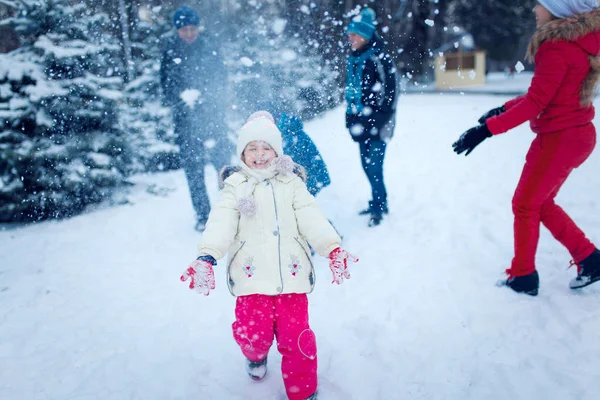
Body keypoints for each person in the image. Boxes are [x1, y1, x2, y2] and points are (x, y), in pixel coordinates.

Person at [180, 112, 358, 400]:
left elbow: (312, 218)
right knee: (253, 335)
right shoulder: (235, 188)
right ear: (242, 153)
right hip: (251, 282)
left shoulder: (292, 184)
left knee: (298, 340)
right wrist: (207, 256)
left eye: (266, 148)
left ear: (277, 151)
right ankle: (255, 355)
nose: (259, 155)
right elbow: (221, 223)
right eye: (252, 149)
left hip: (292, 279)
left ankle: (303, 391)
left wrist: (331, 247)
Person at [452, 1, 600, 296]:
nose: (534, 9)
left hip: (559, 138)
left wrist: (485, 131)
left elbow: (537, 103)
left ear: (560, 10)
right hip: (575, 135)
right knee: (540, 204)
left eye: (541, 4)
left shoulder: (556, 46)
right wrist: (503, 108)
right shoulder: (576, 42)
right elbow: (544, 93)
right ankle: (590, 259)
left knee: (525, 204)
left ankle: (523, 276)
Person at [160, 5, 232, 231]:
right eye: (184, 30)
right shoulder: (170, 50)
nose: (189, 33)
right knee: (193, 169)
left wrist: (205, 97)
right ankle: (203, 215)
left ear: (198, 28)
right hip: (185, 121)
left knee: (223, 166)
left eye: (192, 28)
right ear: (177, 30)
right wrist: (182, 99)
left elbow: (221, 78)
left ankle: (230, 210)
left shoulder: (209, 46)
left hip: (213, 117)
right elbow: (166, 84)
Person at [345, 7, 398, 227]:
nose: (350, 38)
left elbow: (390, 92)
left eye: (354, 35)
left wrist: (376, 118)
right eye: (349, 34)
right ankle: (379, 200)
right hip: (361, 122)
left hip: (379, 123)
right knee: (366, 165)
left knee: (374, 166)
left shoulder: (380, 58)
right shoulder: (355, 59)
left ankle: (379, 206)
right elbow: (351, 92)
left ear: (365, 36)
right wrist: (351, 117)